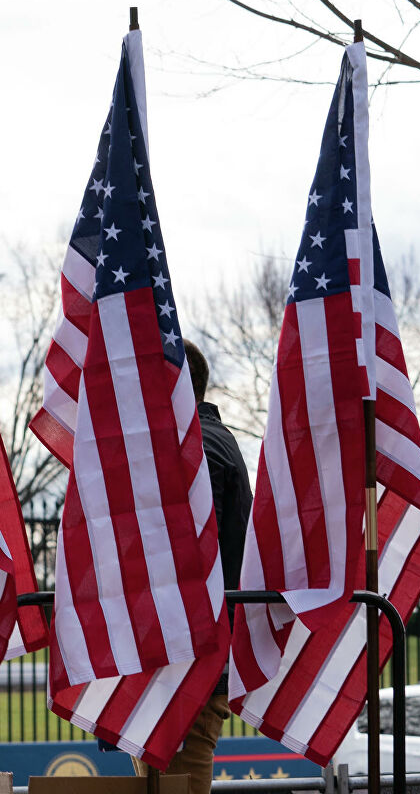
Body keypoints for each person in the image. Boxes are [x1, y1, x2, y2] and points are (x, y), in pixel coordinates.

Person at [135, 339, 254, 794]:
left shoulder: (197, 446)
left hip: (188, 651)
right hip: (191, 648)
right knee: (167, 780)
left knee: (176, 782)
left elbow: (186, 557)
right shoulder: (211, 441)